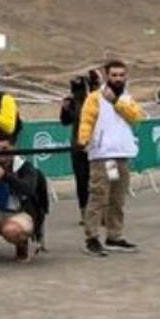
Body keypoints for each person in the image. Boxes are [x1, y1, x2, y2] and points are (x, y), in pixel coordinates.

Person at [77, 60, 144, 256]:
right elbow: (86, 120)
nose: (118, 78)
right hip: (102, 155)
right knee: (99, 195)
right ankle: (92, 237)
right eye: (114, 75)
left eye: (121, 75)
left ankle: (114, 236)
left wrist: (116, 102)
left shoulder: (126, 98)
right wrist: (83, 139)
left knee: (117, 196)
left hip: (121, 154)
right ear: (107, 76)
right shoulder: (95, 97)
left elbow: (135, 117)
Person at [0, 140, 50, 263]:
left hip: (22, 213)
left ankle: (22, 244)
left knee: (11, 230)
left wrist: (5, 176)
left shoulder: (26, 167)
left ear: (14, 148)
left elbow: (28, 189)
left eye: (5, 148)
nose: (1, 152)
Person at [60, 70, 99, 222]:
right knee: (82, 180)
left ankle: (100, 211)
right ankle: (85, 212)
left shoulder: (98, 98)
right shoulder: (72, 101)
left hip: (99, 146)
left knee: (100, 179)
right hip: (79, 147)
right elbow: (65, 121)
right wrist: (65, 108)